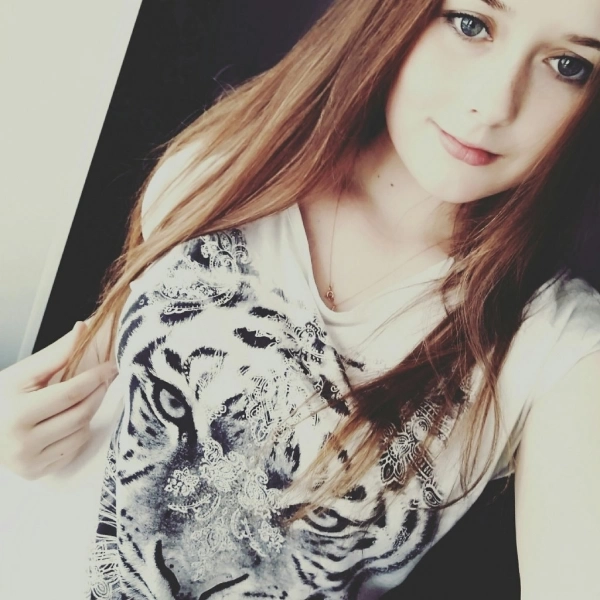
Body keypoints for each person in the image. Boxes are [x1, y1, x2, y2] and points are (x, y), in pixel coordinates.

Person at [1, 0, 600, 597]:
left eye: (569, 65)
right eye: (471, 24)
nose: (494, 106)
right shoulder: (226, 161)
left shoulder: (555, 351)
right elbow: (117, 351)